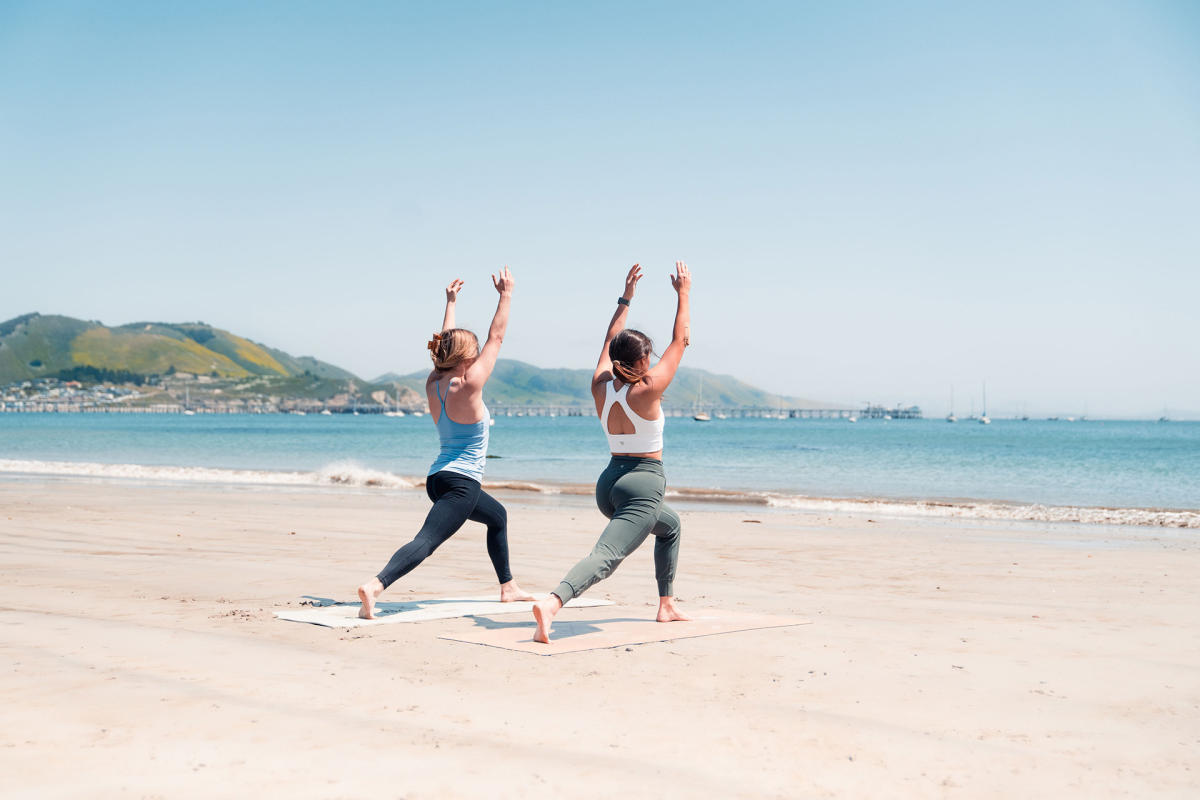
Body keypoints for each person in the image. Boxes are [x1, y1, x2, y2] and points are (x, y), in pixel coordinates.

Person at [357, 268, 533, 619]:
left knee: (497, 516)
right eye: (476, 350)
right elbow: (496, 338)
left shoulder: (433, 382)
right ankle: (376, 586)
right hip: (460, 483)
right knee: (427, 541)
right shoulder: (466, 386)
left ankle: (508, 586)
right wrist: (506, 295)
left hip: (439, 477)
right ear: (468, 356)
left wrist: (450, 303)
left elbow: (441, 345)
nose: (482, 352)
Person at [531, 261, 692, 643]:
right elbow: (681, 340)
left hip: (609, 484)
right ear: (640, 362)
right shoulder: (646, 389)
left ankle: (666, 604)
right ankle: (553, 603)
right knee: (606, 556)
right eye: (647, 358)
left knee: (670, 527)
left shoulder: (600, 385)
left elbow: (609, 338)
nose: (651, 363)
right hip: (642, 485)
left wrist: (626, 299)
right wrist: (684, 293)